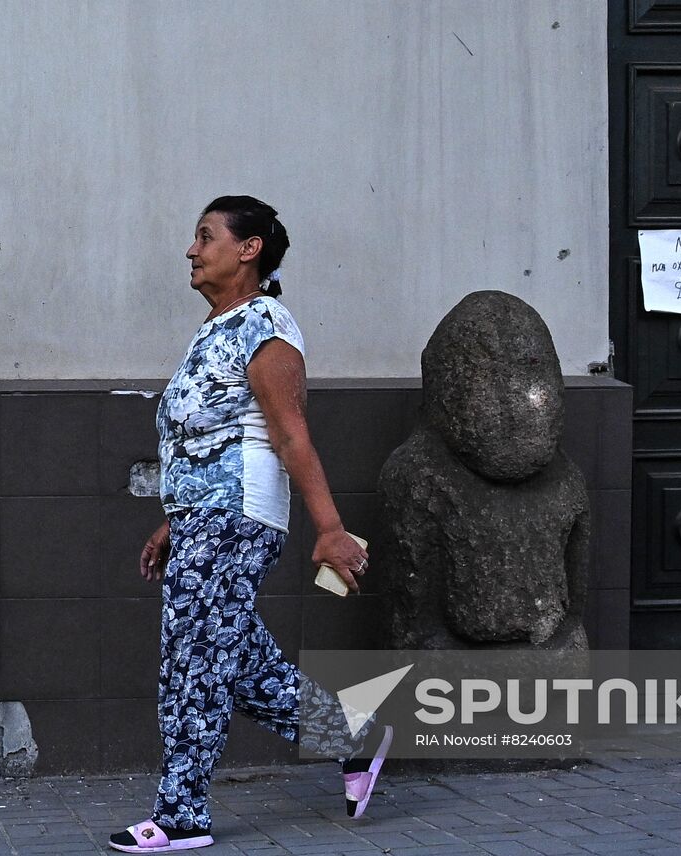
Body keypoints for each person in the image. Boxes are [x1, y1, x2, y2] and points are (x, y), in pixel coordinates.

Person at [109, 197, 392, 853]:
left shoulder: (266, 326)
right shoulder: (214, 330)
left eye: (205, 237)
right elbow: (202, 441)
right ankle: (355, 734)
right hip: (204, 519)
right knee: (233, 661)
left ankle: (182, 816)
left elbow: (290, 436)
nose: (191, 249)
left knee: (193, 666)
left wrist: (329, 529)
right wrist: (174, 521)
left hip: (237, 518)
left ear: (249, 249)